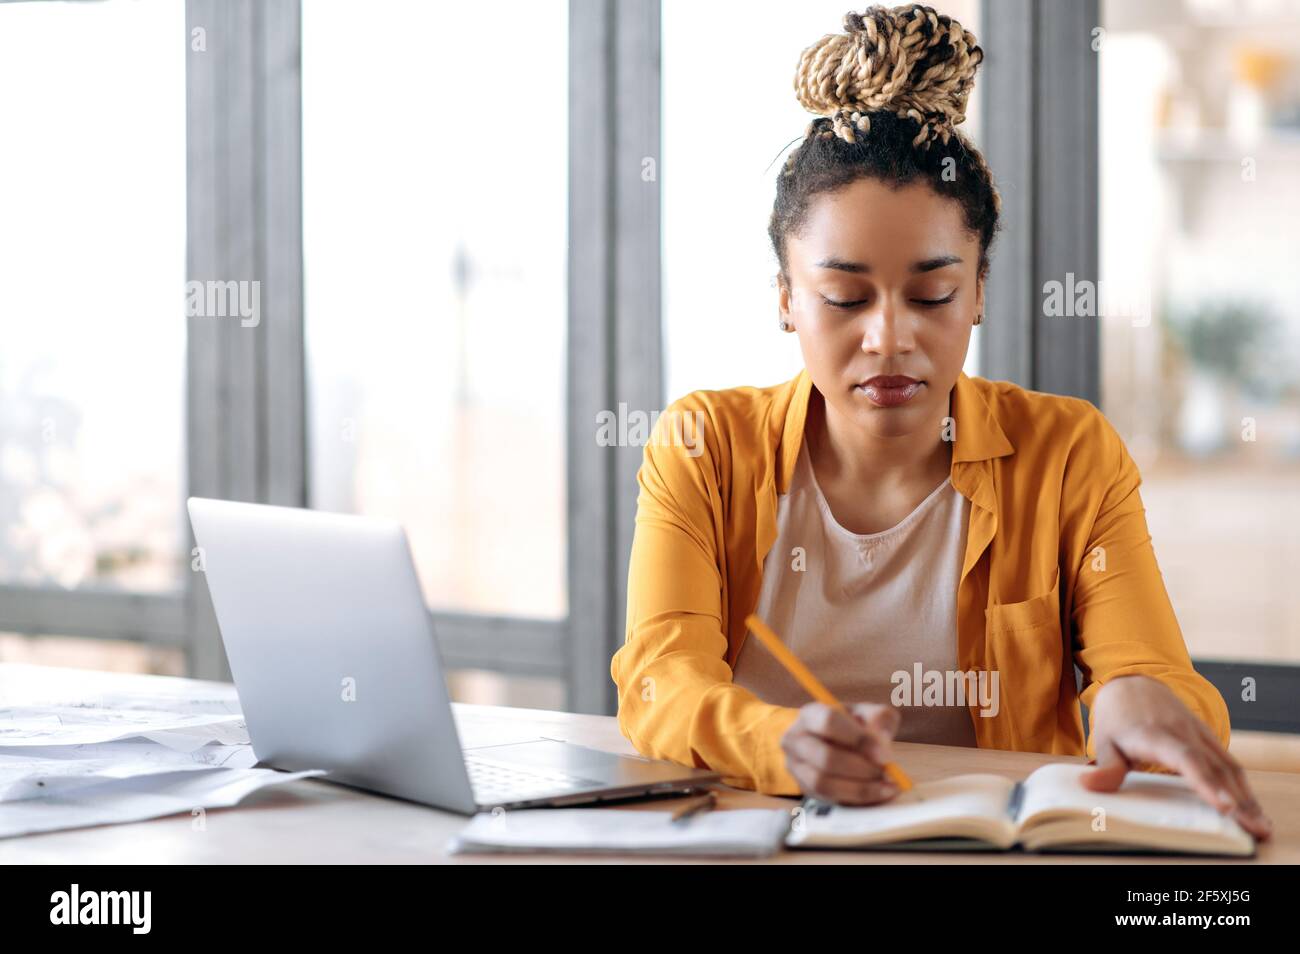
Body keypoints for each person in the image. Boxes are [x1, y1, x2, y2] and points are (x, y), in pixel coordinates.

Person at [610, 2, 1272, 840]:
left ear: (981, 291)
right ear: (785, 299)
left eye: (933, 295)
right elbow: (657, 680)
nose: (889, 336)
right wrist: (780, 742)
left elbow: (1143, 667)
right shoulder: (703, 447)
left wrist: (1143, 695)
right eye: (844, 297)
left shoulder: (1068, 454)